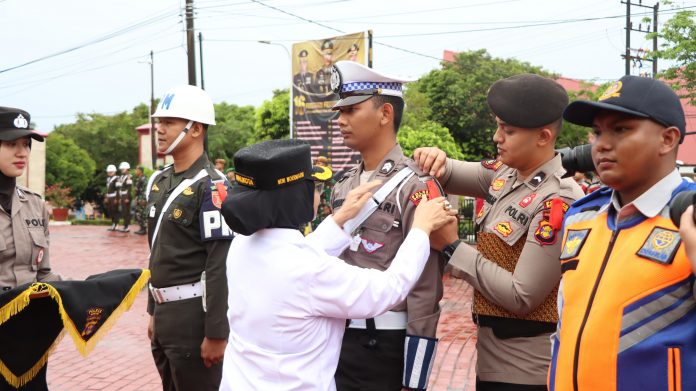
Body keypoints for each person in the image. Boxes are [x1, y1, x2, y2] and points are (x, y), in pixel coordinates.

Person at [218, 139, 456, 390]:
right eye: (315, 186)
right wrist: (420, 228)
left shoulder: (242, 246)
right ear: (297, 197)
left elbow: (298, 256)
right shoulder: (309, 271)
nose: (320, 195)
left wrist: (339, 219)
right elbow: (389, 288)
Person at [414, 73, 584, 390]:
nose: (496, 137)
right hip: (492, 362)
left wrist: (452, 247)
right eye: (498, 126)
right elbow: (449, 170)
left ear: (544, 137)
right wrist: (433, 156)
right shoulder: (506, 173)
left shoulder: (558, 198)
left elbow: (523, 295)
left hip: (526, 372)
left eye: (508, 130)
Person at [547, 75, 696, 390]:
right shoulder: (581, 217)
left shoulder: (689, 218)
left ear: (668, 140)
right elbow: (565, 321)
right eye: (597, 132)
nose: (601, 144)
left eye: (620, 129)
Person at [329, 60, 447, 390]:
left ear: (385, 114)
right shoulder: (342, 185)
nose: (341, 120)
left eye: (351, 110)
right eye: (340, 111)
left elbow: (425, 289)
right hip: (337, 339)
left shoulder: (416, 185)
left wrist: (414, 377)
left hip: (384, 344)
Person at [145, 84, 234, 391]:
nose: (160, 129)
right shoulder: (159, 181)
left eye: (168, 122)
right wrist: (152, 311)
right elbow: (154, 252)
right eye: (160, 122)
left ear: (195, 129)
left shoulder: (212, 186)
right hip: (165, 315)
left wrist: (216, 332)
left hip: (194, 318)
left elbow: (219, 263)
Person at [0, 106, 62, 389]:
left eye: (25, 144)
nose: (22, 152)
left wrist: (76, 295)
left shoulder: (34, 204)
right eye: (11, 144)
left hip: (29, 341)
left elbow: (44, 274)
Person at [116, 161, 133, 233]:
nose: (122, 170)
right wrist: (119, 197)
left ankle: (127, 227)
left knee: (126, 211)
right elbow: (118, 187)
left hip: (126, 195)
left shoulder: (129, 177)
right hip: (122, 195)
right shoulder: (121, 177)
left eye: (123, 169)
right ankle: (125, 226)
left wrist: (127, 198)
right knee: (123, 211)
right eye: (121, 169)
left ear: (127, 169)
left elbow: (129, 188)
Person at [104, 164, 120, 231]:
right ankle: (113, 223)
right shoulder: (108, 179)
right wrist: (106, 197)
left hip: (114, 197)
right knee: (110, 211)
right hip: (109, 197)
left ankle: (116, 224)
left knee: (115, 211)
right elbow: (107, 189)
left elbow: (118, 189)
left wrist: (117, 198)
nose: (109, 173)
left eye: (111, 172)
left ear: (114, 172)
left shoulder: (117, 179)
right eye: (108, 172)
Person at [133, 165, 148, 235]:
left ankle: (144, 229)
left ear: (140, 171)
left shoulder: (144, 179)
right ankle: (141, 228)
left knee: (143, 214)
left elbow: (145, 190)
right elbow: (137, 190)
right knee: (138, 214)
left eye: (136, 170)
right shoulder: (139, 179)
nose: (135, 171)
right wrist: (136, 198)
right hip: (139, 198)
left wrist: (143, 199)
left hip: (142, 199)